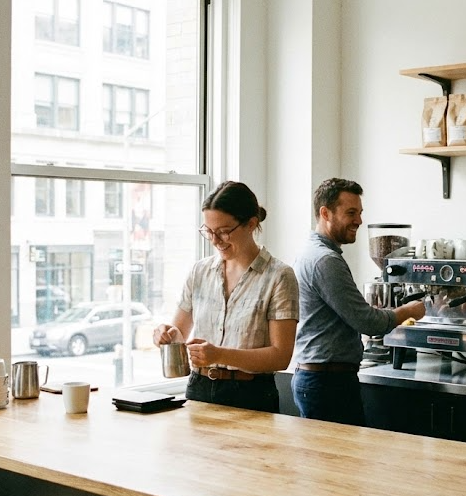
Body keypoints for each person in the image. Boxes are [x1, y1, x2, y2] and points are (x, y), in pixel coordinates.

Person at [153, 181, 299, 413]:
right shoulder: (199, 271)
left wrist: (219, 354)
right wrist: (166, 334)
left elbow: (280, 356)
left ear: (251, 224)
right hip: (199, 388)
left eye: (223, 231)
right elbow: (179, 332)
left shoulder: (279, 276)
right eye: (208, 231)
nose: (215, 240)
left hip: (251, 394)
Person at [291, 178, 425, 426]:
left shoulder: (311, 252)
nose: (359, 221)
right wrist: (408, 311)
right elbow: (367, 322)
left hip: (321, 379)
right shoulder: (326, 261)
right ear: (325, 213)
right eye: (351, 213)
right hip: (327, 384)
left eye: (360, 213)